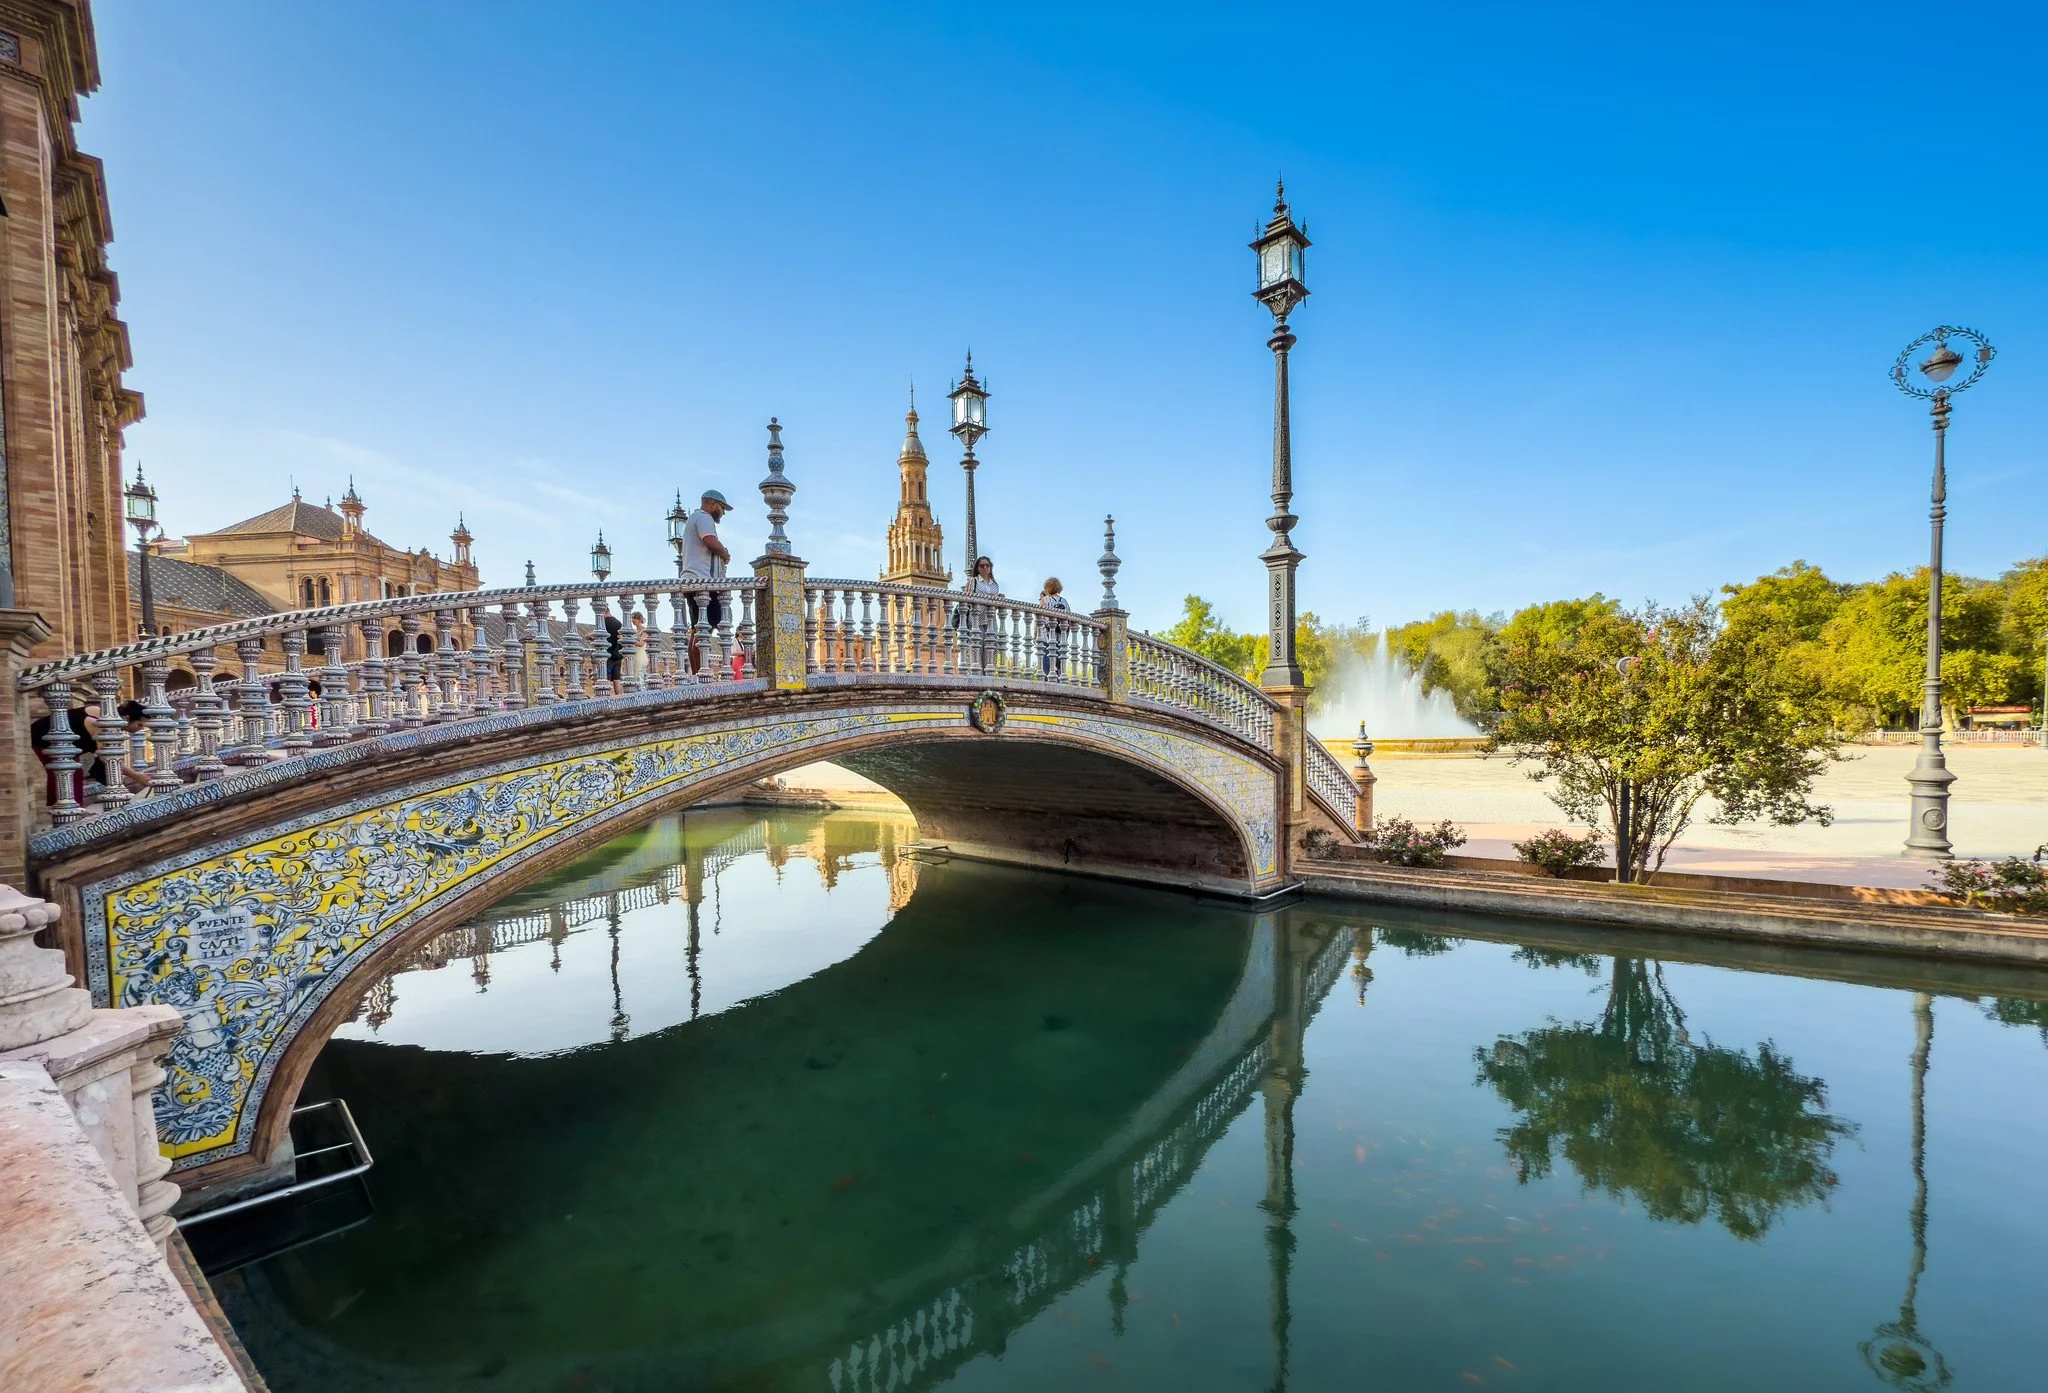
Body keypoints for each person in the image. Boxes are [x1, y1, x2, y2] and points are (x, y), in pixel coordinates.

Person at [679, 490, 734, 673]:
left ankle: (696, 673)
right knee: (712, 625)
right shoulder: (704, 518)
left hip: (693, 581)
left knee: (697, 629)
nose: (722, 512)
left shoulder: (693, 519)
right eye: (721, 507)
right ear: (710, 503)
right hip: (703, 582)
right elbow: (710, 542)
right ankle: (701, 672)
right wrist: (725, 553)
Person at [961, 556, 1002, 673]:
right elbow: (966, 598)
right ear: (978, 568)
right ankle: (976, 673)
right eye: (982, 565)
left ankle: (989, 674)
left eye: (987, 565)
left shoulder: (995, 585)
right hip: (976, 618)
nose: (985, 567)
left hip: (990, 619)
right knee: (976, 646)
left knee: (991, 647)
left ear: (990, 568)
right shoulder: (973, 581)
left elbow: (997, 605)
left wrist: (998, 598)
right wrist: (984, 597)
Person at [1036, 577, 1072, 677]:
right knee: (1059, 660)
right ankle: (1059, 679)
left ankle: (1047, 679)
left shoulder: (1045, 600)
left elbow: (1040, 617)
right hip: (1061, 635)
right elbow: (1069, 619)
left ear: (1047, 588)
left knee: (1047, 657)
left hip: (1047, 634)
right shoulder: (1065, 602)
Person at [602, 612, 625, 695]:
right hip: (618, 654)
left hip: (608, 653)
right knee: (616, 678)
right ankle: (619, 699)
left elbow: (600, 635)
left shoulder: (603, 622)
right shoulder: (618, 623)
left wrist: (590, 637)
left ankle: (605, 698)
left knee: (605, 678)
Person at [627, 611, 650, 685]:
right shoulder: (634, 631)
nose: (633, 620)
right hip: (634, 655)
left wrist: (629, 641)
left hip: (640, 655)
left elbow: (641, 644)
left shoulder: (644, 630)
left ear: (640, 619)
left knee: (639, 676)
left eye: (634, 618)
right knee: (634, 675)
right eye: (632, 618)